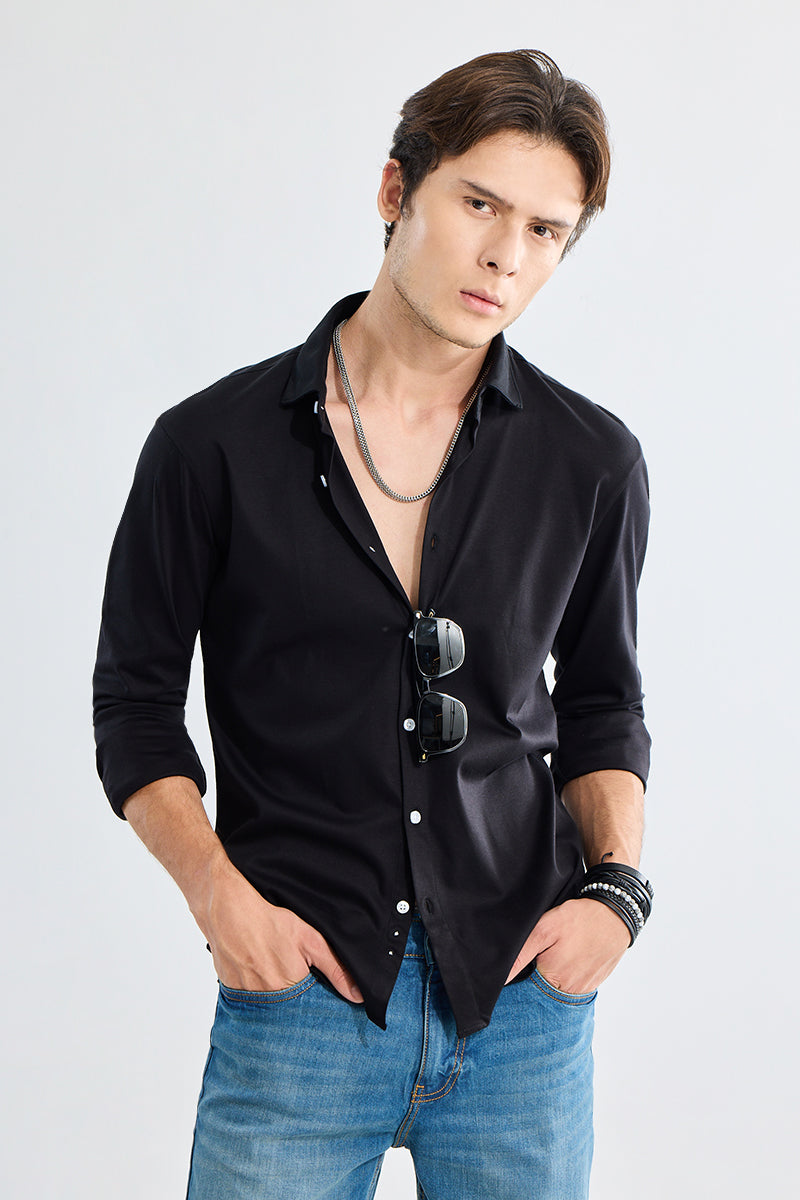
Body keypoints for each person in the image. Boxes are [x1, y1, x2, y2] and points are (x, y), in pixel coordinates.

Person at [93, 48, 654, 1200]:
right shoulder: (211, 446)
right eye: (480, 204)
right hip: (299, 1001)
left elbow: (604, 702)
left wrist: (616, 897)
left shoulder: (590, 460)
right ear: (397, 188)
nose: (505, 255)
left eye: (544, 231)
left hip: (522, 1006)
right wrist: (221, 902)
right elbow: (134, 708)